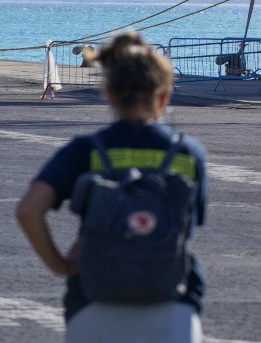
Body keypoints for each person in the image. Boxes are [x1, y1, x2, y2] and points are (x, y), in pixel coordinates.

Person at [15, 32, 208, 342]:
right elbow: (191, 225)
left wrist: (62, 265)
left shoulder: (85, 150)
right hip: (173, 306)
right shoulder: (188, 155)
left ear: (109, 94)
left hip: (93, 303)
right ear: (163, 97)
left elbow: (28, 210)